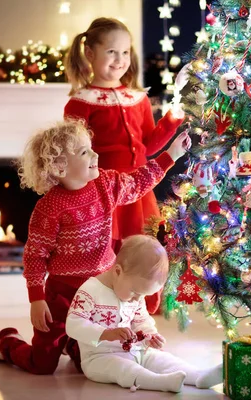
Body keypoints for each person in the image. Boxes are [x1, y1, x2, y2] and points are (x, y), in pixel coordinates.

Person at [0, 119, 190, 375]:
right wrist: (36, 299)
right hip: (61, 293)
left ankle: (73, 345)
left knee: (90, 359)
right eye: (85, 152)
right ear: (60, 167)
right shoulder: (49, 208)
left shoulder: (106, 184)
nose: (95, 154)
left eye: (91, 148)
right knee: (42, 364)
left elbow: (139, 182)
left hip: (101, 288)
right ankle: (6, 343)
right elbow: (35, 256)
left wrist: (171, 154)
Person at [64, 17, 185, 313]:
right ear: (90, 54)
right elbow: (75, 154)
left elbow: (150, 145)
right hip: (104, 191)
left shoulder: (138, 98)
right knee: (109, 251)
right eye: (111, 52)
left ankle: (141, 314)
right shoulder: (80, 103)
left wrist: (176, 109)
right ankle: (102, 313)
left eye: (125, 52)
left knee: (144, 248)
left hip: (140, 189)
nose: (120, 60)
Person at [65, 235, 222, 392]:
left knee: (161, 359)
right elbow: (73, 325)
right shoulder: (91, 290)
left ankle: (197, 376)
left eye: (142, 295)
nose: (137, 299)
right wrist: (106, 334)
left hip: (136, 351)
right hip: (99, 358)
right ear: (118, 271)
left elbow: (142, 320)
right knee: (123, 368)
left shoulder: (134, 295)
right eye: (135, 292)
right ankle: (157, 382)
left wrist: (151, 335)